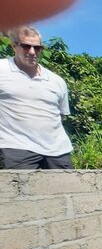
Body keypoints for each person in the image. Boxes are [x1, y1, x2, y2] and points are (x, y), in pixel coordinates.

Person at [0, 26, 75, 169]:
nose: (32, 52)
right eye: (26, 46)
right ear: (14, 46)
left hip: (58, 150)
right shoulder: (2, 69)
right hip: (16, 148)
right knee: (19, 190)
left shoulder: (56, 81)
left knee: (68, 190)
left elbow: (61, 115)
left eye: (37, 48)